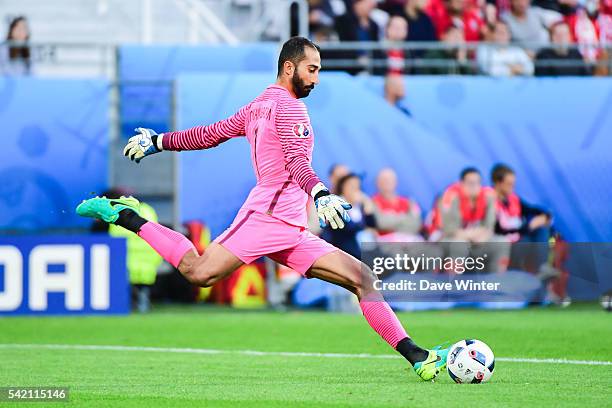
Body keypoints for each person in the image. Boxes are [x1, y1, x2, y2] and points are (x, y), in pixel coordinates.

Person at [76, 37, 448, 381]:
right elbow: (297, 160)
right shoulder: (290, 109)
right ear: (290, 67)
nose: (317, 79)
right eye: (312, 69)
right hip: (265, 219)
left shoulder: (258, 106)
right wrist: (320, 194)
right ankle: (125, 214)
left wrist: (159, 141)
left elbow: (209, 134)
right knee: (198, 272)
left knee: (362, 278)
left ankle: (418, 356)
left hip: (290, 228)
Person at [438, 167, 510, 273]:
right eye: (470, 183)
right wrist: (471, 235)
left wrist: (482, 235)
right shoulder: (450, 197)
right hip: (449, 240)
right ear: (461, 184)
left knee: (502, 242)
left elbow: (489, 227)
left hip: (476, 240)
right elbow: (449, 230)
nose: (474, 186)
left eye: (477, 182)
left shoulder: (488, 197)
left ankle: (495, 283)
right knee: (459, 244)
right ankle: (451, 285)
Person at [322, 173, 377, 258]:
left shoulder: (361, 206)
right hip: (344, 250)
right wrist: (364, 228)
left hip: (363, 248)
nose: (355, 189)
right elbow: (348, 228)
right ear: (343, 188)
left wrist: (368, 212)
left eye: (357, 186)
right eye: (351, 186)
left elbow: (372, 227)